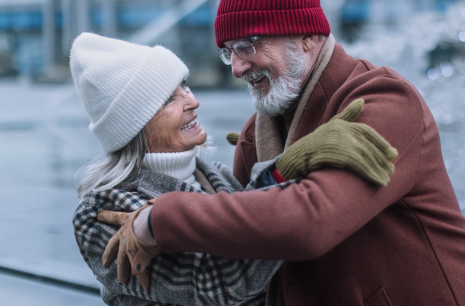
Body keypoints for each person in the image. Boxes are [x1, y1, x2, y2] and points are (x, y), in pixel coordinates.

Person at [100, 0, 465, 305]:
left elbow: (312, 221)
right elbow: (247, 252)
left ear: (307, 35)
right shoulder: (257, 136)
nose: (237, 67)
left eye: (249, 45)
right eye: (228, 51)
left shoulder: (384, 102)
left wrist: (160, 219)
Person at [70, 32, 398, 305]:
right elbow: (224, 280)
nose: (192, 101)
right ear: (134, 127)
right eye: (170, 100)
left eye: (184, 86)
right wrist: (284, 168)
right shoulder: (100, 213)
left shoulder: (214, 176)